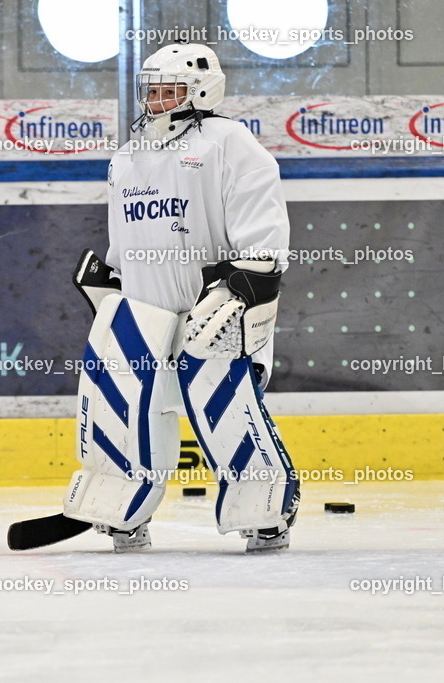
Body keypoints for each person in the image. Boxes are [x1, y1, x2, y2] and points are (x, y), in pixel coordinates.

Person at [63, 43, 299, 552]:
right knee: (122, 405)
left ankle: (263, 508)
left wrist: (249, 281)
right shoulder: (127, 155)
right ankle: (122, 506)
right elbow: (126, 236)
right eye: (151, 91)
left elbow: (262, 229)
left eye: (170, 90)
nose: (157, 100)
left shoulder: (229, 142)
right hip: (145, 308)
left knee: (225, 401)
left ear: (202, 89)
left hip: (212, 305)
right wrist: (114, 284)